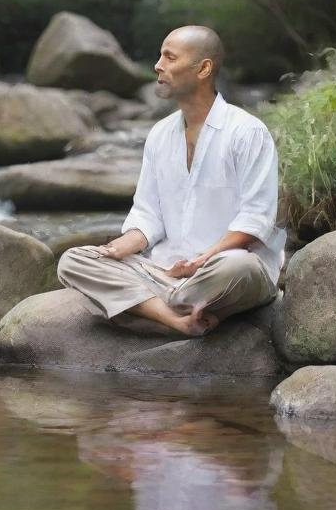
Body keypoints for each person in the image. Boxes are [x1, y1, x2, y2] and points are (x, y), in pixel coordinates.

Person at [57, 25, 285, 337]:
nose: (158, 65)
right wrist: (120, 246)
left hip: (222, 268)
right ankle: (178, 318)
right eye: (160, 56)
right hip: (166, 271)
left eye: (169, 57)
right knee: (73, 260)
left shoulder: (247, 132)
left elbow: (255, 221)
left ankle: (145, 308)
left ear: (203, 69)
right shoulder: (160, 134)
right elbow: (148, 215)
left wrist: (201, 262)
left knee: (239, 267)